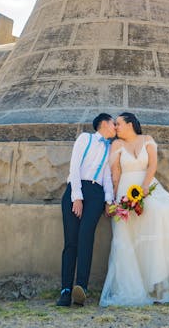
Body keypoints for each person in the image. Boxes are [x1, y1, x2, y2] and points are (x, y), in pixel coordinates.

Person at [100, 112, 169, 307]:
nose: (115, 127)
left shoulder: (147, 140)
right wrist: (112, 201)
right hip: (125, 190)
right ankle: (133, 287)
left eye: (118, 124)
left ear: (130, 124)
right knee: (127, 236)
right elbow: (115, 173)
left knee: (164, 213)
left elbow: (152, 165)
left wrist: (144, 187)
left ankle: (157, 284)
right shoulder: (116, 145)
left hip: (147, 187)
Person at [56, 112, 116, 307]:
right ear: (104, 124)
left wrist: (109, 200)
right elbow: (74, 167)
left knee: (86, 239)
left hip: (96, 194)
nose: (116, 127)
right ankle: (65, 290)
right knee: (71, 242)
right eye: (114, 124)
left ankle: (80, 288)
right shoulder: (85, 138)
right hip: (76, 190)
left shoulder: (110, 148)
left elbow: (107, 176)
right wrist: (77, 197)